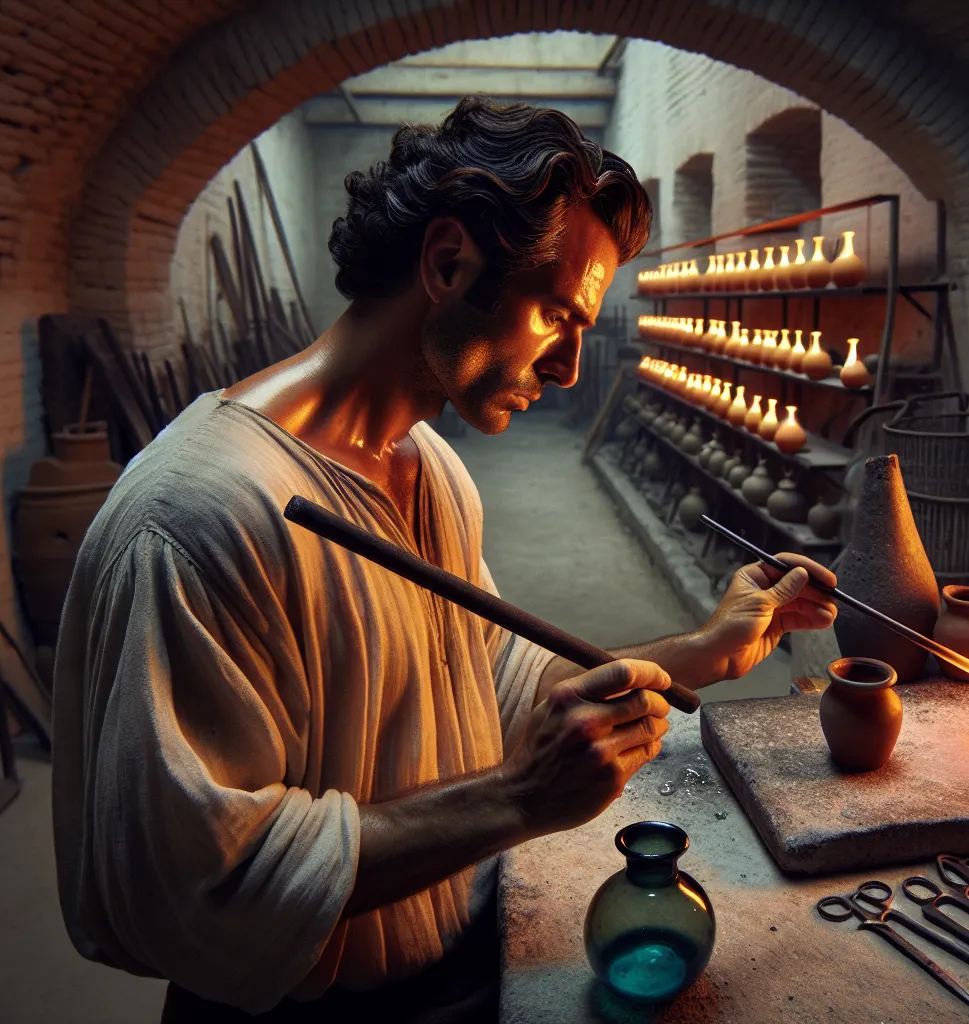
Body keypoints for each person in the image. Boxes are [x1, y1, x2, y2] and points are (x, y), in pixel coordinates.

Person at [51, 97, 837, 1022]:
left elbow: (491, 684)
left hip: (467, 957)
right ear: (449, 261)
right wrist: (517, 798)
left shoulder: (434, 470)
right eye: (556, 314)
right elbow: (189, 882)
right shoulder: (199, 516)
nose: (571, 368)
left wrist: (710, 647)